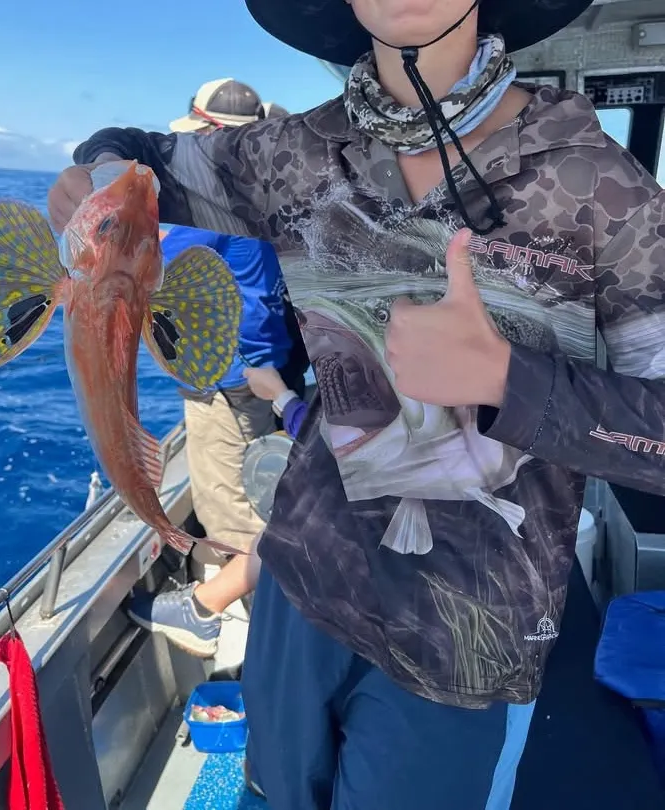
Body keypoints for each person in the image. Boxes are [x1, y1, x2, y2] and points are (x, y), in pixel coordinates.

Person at [48, 0, 665, 806]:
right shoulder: (291, 153)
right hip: (302, 581)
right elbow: (138, 156)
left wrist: (507, 380)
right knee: (275, 792)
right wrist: (94, 175)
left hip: (463, 633)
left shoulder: (601, 187)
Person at [123, 81, 308, 658]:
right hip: (266, 370)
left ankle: (225, 623)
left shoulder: (212, 205)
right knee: (258, 492)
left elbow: (241, 292)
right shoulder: (265, 190)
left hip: (230, 382)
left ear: (207, 135)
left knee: (232, 508)